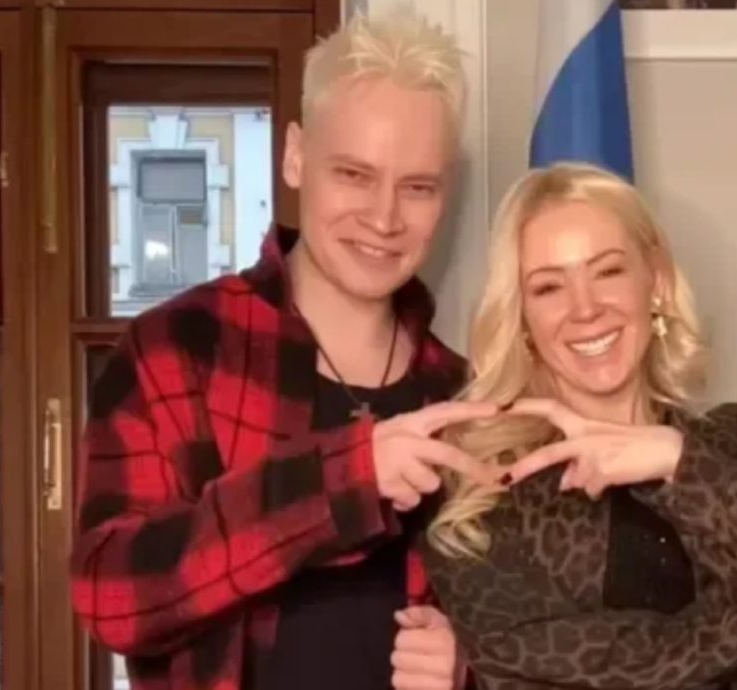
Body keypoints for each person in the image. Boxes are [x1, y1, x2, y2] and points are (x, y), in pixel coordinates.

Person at [70, 10, 495, 690]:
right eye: (354, 174)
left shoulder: (464, 396)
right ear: (296, 156)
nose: (384, 218)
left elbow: (533, 631)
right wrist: (346, 479)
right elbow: (111, 596)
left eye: (417, 187)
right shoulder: (178, 349)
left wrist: (469, 667)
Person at [422, 162, 737, 690]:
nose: (585, 309)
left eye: (608, 271)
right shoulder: (489, 488)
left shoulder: (729, 445)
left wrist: (679, 464)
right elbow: (559, 669)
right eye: (549, 288)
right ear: (522, 320)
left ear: (655, 281)